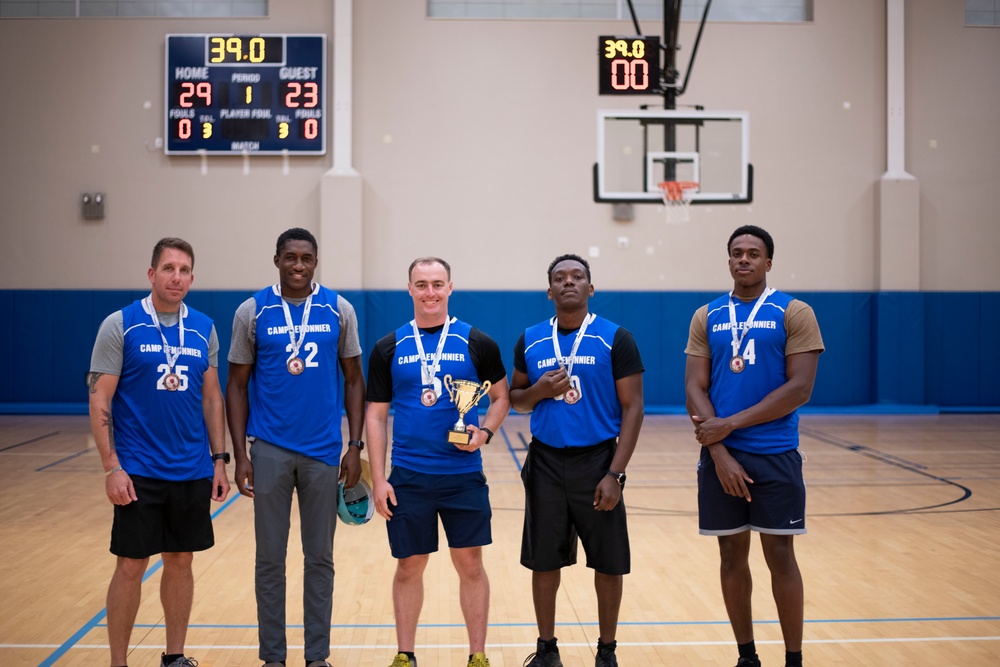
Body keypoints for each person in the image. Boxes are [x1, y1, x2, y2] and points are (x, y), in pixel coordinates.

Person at [684, 225, 824, 667]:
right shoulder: (706, 315)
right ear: (728, 261)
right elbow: (694, 387)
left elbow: (799, 388)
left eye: (753, 253)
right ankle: (747, 657)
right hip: (721, 456)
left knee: (780, 555)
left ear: (768, 262)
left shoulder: (795, 312)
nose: (744, 259)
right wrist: (719, 451)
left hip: (776, 453)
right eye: (737, 253)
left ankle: (794, 659)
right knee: (730, 555)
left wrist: (729, 424)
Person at [226, 227, 366, 667]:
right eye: (291, 257)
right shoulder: (252, 311)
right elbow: (235, 385)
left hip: (324, 452)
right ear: (277, 260)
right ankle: (273, 659)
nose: (299, 266)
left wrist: (355, 446)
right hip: (269, 451)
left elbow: (355, 379)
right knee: (270, 559)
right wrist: (241, 453)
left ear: (316, 261)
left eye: (306, 258)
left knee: (319, 559)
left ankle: (317, 658)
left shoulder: (339, 309)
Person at [88, 237, 230, 667]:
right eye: (169, 268)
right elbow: (99, 398)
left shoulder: (204, 327)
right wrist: (112, 467)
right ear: (152, 274)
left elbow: (212, 399)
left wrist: (219, 460)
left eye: (185, 270)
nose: (177, 277)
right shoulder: (122, 324)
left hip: (190, 470)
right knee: (131, 566)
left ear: (192, 277)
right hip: (138, 471)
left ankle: (174, 656)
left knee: (181, 560)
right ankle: (118, 661)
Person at [366, 257, 510, 667]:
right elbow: (376, 416)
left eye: (437, 284)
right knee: (409, 567)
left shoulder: (476, 342)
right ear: (409, 289)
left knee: (470, 564)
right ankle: (405, 654)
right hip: (409, 477)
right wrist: (379, 479)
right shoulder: (388, 347)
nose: (430, 292)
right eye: (422, 284)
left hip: (462, 476)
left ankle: (477, 656)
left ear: (450, 288)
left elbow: (501, 398)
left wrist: (483, 433)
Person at [509, 253, 645, 667]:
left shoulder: (615, 337)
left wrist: (615, 473)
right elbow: (516, 400)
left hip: (598, 461)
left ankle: (607, 651)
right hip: (546, 462)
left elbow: (634, 408)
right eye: (560, 278)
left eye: (578, 276)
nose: (569, 282)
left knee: (608, 562)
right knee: (544, 560)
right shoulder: (530, 338)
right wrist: (538, 392)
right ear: (549, 290)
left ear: (590, 287)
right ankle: (547, 650)